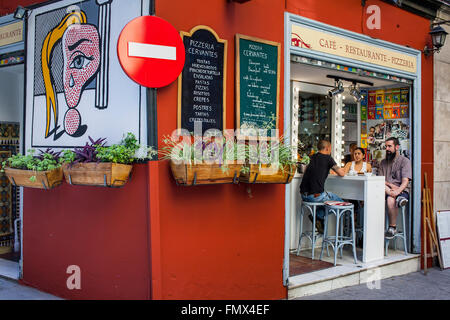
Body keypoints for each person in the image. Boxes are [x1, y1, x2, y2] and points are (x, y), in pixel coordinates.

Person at [300, 140, 345, 233]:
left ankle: (318, 218)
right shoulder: (328, 158)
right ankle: (319, 217)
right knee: (341, 203)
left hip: (304, 196)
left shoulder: (312, 157)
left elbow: (306, 171)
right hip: (315, 196)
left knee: (326, 202)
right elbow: (341, 173)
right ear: (327, 148)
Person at [377, 137, 411, 239]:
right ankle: (399, 200)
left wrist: (397, 192)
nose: (387, 149)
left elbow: (405, 181)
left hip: (401, 190)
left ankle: (392, 227)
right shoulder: (383, 162)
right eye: (386, 146)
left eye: (389, 146)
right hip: (386, 189)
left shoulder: (405, 161)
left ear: (397, 147)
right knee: (380, 187)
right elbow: (380, 180)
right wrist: (391, 187)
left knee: (391, 200)